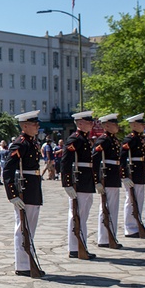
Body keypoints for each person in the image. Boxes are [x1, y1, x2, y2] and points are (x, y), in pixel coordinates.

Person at [4, 111, 45, 277]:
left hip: (33, 187)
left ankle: (28, 261)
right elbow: (8, 170)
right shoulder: (19, 144)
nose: (37, 127)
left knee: (30, 228)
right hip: (24, 189)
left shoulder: (32, 143)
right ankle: (22, 264)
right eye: (34, 124)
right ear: (25, 126)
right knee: (22, 228)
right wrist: (12, 194)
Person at [61, 111, 97, 259]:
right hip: (79, 180)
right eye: (89, 122)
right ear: (80, 123)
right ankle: (74, 247)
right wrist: (67, 183)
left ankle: (81, 244)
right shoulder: (74, 139)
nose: (92, 124)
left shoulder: (84, 139)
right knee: (76, 215)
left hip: (86, 180)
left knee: (83, 215)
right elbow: (66, 161)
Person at [93, 114, 125, 248]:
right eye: (114, 124)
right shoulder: (103, 141)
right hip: (107, 176)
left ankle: (110, 236)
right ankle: (104, 238)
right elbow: (95, 160)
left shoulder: (114, 140)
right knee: (106, 208)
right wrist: (97, 180)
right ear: (106, 126)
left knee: (113, 208)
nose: (117, 126)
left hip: (113, 176)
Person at [121, 114, 145, 238]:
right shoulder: (129, 140)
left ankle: (136, 224)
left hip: (140, 171)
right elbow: (122, 158)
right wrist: (124, 175)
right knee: (131, 200)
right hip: (133, 172)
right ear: (133, 125)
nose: (143, 126)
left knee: (139, 199)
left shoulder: (140, 139)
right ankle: (130, 228)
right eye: (140, 124)